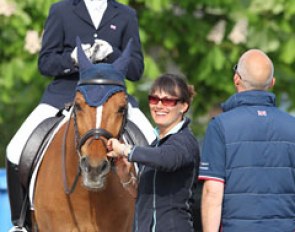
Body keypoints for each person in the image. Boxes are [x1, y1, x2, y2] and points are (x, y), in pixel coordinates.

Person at [6, 1, 155, 231]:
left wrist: (111, 52)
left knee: (154, 145)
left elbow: (136, 69)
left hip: (112, 100)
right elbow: (45, 62)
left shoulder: (126, 14)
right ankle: (20, 223)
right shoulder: (61, 10)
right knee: (15, 149)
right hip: (66, 95)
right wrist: (73, 58)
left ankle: (153, 218)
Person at [198, 49, 295, 232]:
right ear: (272, 83)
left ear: (236, 79)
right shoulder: (292, 126)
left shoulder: (220, 126)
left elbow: (213, 192)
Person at [107, 73, 200, 232]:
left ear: (183, 106)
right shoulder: (154, 145)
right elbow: (144, 196)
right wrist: (125, 177)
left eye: (168, 101)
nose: (159, 105)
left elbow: (166, 159)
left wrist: (124, 149)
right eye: (153, 99)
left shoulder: (185, 141)